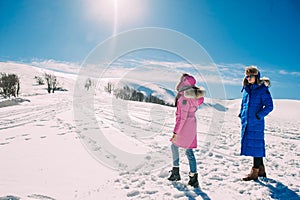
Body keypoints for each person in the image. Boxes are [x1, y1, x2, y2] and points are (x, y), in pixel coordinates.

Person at [168, 73, 205, 188]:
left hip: (184, 127)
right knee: (188, 151)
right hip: (191, 125)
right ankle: (193, 177)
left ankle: (176, 172)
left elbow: (182, 117)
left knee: (174, 146)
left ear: (183, 82)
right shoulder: (191, 96)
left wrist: (175, 132)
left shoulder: (184, 97)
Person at [239, 66, 273, 181]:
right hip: (247, 122)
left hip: (256, 122)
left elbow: (269, 106)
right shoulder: (247, 89)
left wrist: (259, 115)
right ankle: (261, 171)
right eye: (247, 76)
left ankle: (255, 172)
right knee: (255, 145)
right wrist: (241, 114)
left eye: (251, 76)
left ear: (256, 76)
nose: (248, 78)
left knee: (256, 145)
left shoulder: (262, 89)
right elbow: (244, 104)